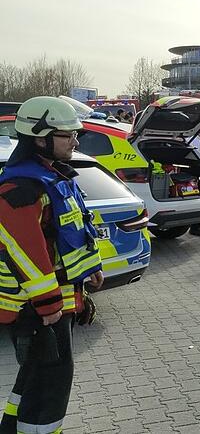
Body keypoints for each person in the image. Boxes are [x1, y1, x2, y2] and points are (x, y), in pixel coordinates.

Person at [0, 96, 104, 434]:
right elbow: (24, 251)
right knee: (50, 387)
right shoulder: (20, 188)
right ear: (40, 137)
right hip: (34, 308)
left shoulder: (52, 176)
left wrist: (89, 271)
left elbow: (67, 234)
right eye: (68, 135)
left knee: (34, 376)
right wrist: (47, 304)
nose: (75, 141)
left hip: (54, 303)